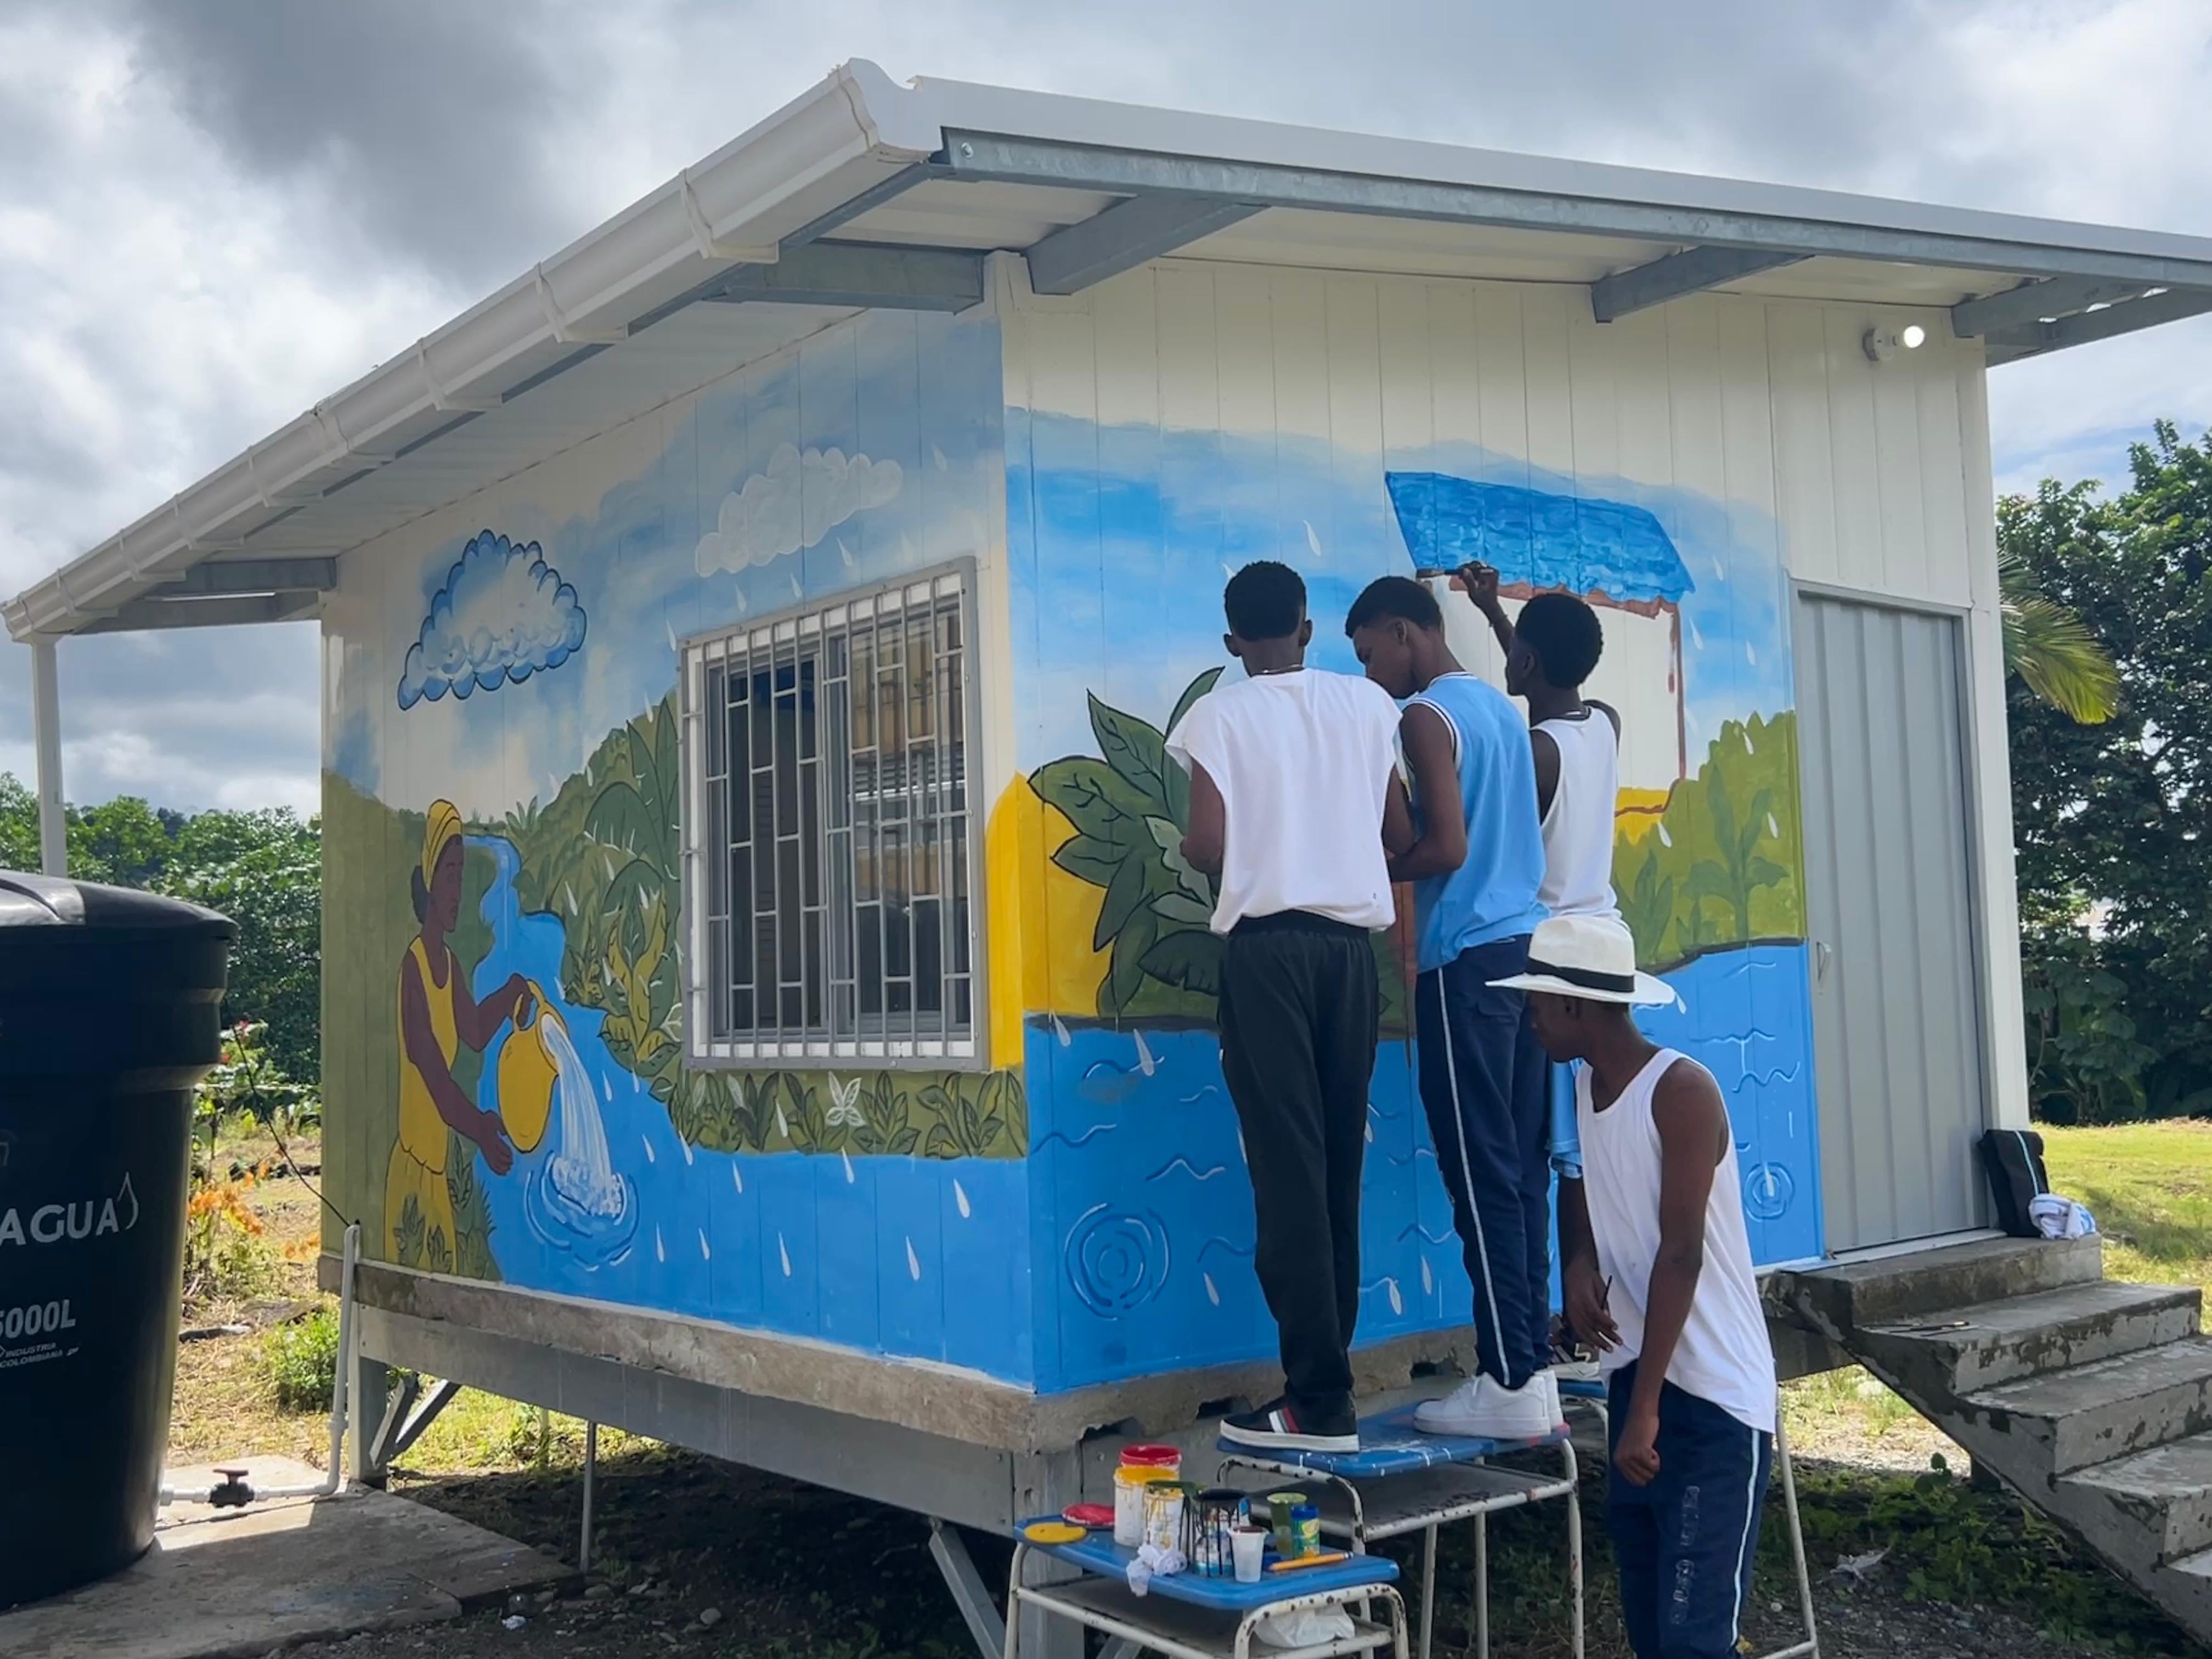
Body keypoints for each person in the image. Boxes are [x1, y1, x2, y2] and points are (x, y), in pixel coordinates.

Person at [1170, 560, 1415, 1454]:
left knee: (1287, 1169)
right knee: (1337, 1162)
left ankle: (1317, 1401)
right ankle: (1327, 1379)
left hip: (1268, 954)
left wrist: (1250, 849)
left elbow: (1206, 843)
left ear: (1232, 640)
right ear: (1307, 629)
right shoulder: (1366, 706)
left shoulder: (1220, 715)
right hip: (1351, 959)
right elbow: (1397, 834)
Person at [1502, 913, 1776, 1659]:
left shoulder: (1681, 1091)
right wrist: (1579, 1264)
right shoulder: (1585, 1086)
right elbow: (1586, 1190)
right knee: (1653, 1632)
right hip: (1637, 1381)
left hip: (1711, 1400)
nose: (1529, 1020)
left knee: (1694, 1640)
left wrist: (1646, 1408)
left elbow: (1681, 1255)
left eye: (1536, 1004)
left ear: (1574, 1005)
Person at [1345, 576, 1556, 1440]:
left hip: (1465, 962)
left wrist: (1360, 867)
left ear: (1406, 633)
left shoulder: (1426, 717)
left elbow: (1445, 849)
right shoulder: (1503, 710)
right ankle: (1531, 1368)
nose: (1371, 675)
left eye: (1370, 655)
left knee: (1479, 1175)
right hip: (1529, 957)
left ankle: (1509, 1375)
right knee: (1523, 1172)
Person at [1456, 563, 1622, 1346]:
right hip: (1608, 948)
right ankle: (1583, 1310)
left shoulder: (1532, 756)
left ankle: (1554, 1318)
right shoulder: (1606, 724)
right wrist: (1496, 614)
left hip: (1552, 959)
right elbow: (1541, 677)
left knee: (1547, 1150)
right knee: (1582, 1145)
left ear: (1525, 662)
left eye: (1516, 648)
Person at [390, 799, 530, 1272]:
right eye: (450, 876)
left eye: (462, 877)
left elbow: (472, 1032)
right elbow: (435, 1078)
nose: (458, 892)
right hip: (414, 1172)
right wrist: (482, 1129)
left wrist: (512, 991)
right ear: (430, 882)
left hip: (437, 1171)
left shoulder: (447, 963)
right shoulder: (414, 969)